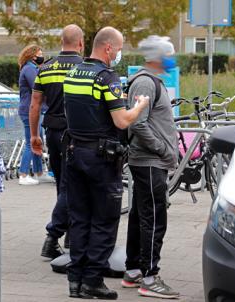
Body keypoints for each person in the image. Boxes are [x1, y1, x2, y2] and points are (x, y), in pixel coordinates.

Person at [64, 26, 150, 299]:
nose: (119, 53)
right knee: (104, 219)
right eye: (120, 47)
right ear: (108, 48)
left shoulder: (73, 73)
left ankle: (75, 281)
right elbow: (121, 120)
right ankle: (92, 281)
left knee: (79, 219)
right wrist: (139, 106)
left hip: (74, 153)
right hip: (101, 159)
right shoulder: (106, 78)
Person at [122, 36, 179, 299]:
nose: (173, 59)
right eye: (169, 54)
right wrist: (164, 149)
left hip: (149, 161)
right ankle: (150, 277)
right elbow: (138, 124)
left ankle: (134, 271)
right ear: (158, 56)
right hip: (149, 161)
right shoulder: (145, 82)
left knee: (140, 214)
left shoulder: (150, 81)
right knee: (154, 217)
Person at [30, 24, 84, 259]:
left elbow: (35, 105)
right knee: (74, 185)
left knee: (62, 182)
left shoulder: (46, 68)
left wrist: (34, 135)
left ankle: (71, 232)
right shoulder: (86, 67)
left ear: (62, 42)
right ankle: (55, 237)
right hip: (76, 133)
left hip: (52, 131)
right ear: (80, 43)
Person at [17, 44, 53, 185]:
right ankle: (23, 174)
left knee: (38, 141)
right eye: (40, 52)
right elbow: (38, 87)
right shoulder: (29, 69)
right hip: (29, 111)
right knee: (31, 142)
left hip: (33, 110)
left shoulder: (31, 68)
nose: (42, 55)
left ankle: (39, 173)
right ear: (33, 56)